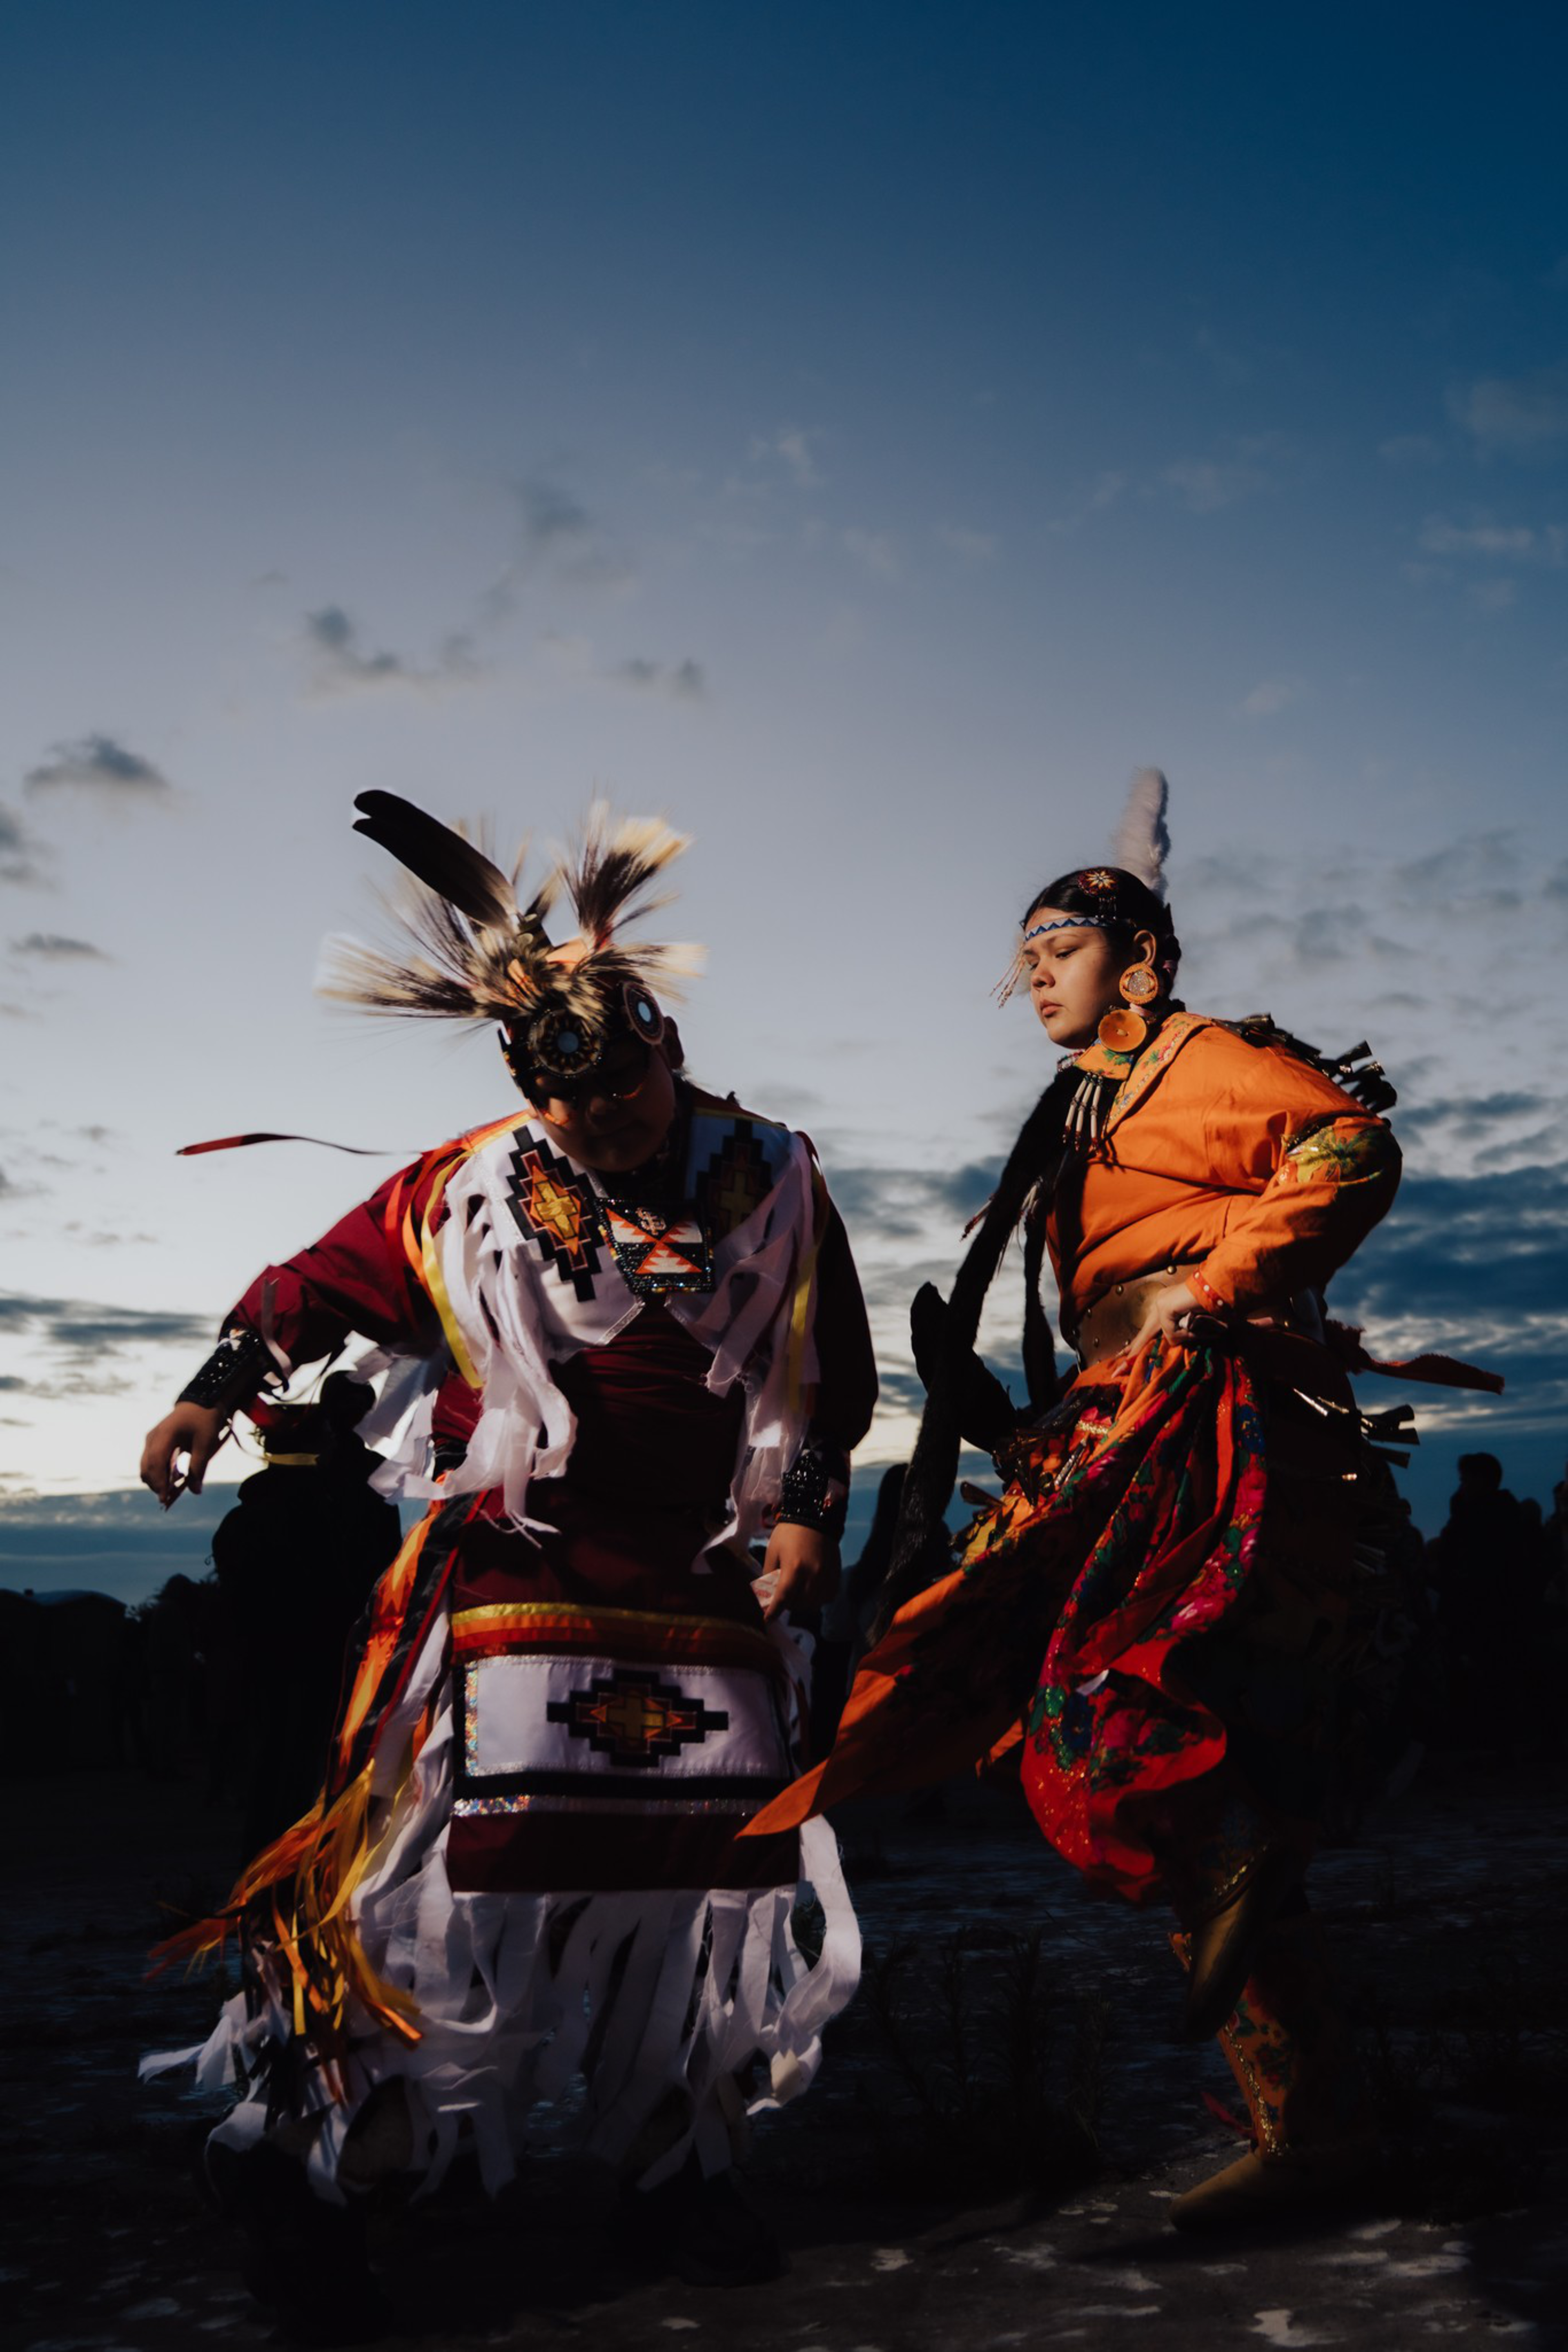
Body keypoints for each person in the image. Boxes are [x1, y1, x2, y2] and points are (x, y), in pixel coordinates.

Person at [141, 795, 875, 2334]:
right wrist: (215, 1387)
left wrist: (804, 1500)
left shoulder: (776, 1174)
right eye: (573, 1113)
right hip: (509, 1578)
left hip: (705, 1585)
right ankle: (337, 2154)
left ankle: (684, 2164)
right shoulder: (465, 1182)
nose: (602, 1130)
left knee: (703, 1893)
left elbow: (831, 1363)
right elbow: (310, 1284)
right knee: (438, 1891)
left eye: (623, 1097)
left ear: (665, 1049)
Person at [746, 771, 1498, 2229]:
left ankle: (1253, 1901)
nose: (1033, 971)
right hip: (1118, 1417)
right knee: (1114, 1745)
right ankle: (1316, 2122)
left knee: (1120, 1713)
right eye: (1022, 956)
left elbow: (1351, 1146)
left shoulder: (1205, 1061)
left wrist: (1219, 1291)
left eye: (1061, 948)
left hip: (1209, 1419)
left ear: (1141, 962)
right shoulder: (1092, 1111)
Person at [209, 1373, 404, 1854]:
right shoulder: (321, 1501)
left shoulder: (261, 1512)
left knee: (292, 1756)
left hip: (313, 1645)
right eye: (345, 1408)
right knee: (297, 1757)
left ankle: (283, 1859)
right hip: (317, 1644)